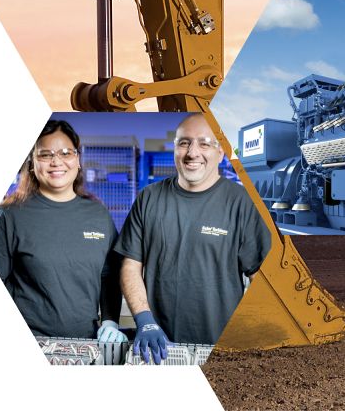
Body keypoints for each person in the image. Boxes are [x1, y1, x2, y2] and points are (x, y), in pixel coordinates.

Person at [115, 114, 272, 363]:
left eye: (204, 143)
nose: (192, 153)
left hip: (221, 350)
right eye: (184, 143)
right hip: (158, 348)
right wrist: (144, 320)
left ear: (220, 152)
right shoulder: (149, 198)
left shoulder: (242, 203)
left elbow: (264, 279)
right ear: (175, 149)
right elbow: (131, 265)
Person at [0, 118, 127, 346]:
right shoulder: (9, 216)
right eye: (45, 154)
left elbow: (109, 277)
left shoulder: (98, 215)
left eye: (66, 153)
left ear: (77, 160)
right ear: (32, 163)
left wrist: (110, 321)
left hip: (86, 345)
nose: (56, 161)